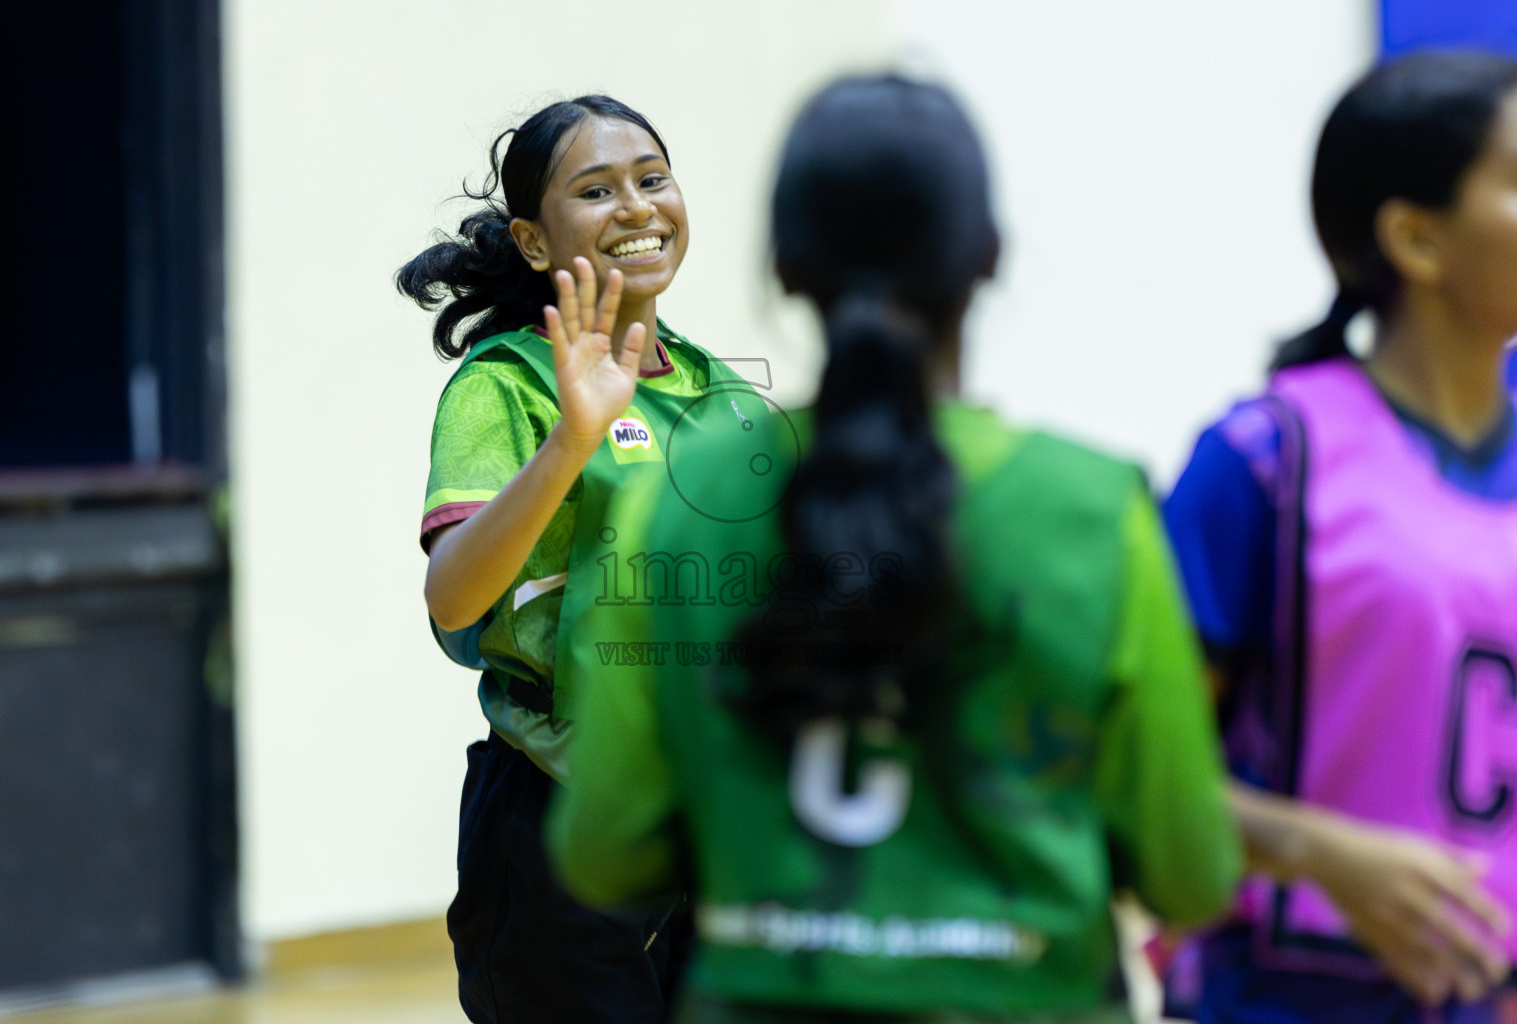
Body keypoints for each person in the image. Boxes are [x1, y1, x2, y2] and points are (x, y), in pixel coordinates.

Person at [545, 74, 1242, 1024]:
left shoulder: (673, 504)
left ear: (785, 267)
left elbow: (604, 852)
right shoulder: (1093, 507)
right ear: (987, 258)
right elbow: (1190, 873)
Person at [1161, 50, 1517, 1023]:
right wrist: (1319, 852)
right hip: (1277, 998)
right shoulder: (1264, 460)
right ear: (1415, 238)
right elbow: (1142, 783)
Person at [398, 94, 740, 1024]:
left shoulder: (720, 390)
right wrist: (573, 442)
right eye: (596, 190)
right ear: (534, 241)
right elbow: (453, 599)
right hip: (556, 816)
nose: (636, 207)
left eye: (652, 179)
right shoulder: (505, 386)